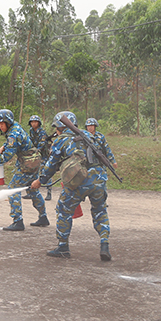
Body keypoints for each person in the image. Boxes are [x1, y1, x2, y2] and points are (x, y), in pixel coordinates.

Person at [30, 111, 112, 261]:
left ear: (60, 127)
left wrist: (40, 181)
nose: (55, 131)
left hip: (78, 181)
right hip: (99, 180)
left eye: (56, 128)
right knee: (100, 211)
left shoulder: (61, 140)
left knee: (63, 210)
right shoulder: (91, 136)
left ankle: (63, 247)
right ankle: (104, 244)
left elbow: (50, 165)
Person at [0, 109, 49, 231]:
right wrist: (4, 146)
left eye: (1, 123)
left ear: (8, 122)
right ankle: (43, 217)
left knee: (12, 189)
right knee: (32, 189)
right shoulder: (15, 126)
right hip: (34, 161)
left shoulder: (12, 135)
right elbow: (16, 142)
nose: (0, 126)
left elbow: (5, 157)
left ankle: (18, 221)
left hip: (27, 164)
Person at [24, 115, 53, 201]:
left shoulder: (42, 132)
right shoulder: (31, 131)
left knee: (45, 172)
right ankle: (30, 192)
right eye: (32, 122)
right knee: (31, 172)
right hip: (34, 155)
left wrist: (35, 151)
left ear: (38, 123)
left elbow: (42, 144)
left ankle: (49, 193)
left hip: (43, 155)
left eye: (35, 122)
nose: (33, 124)